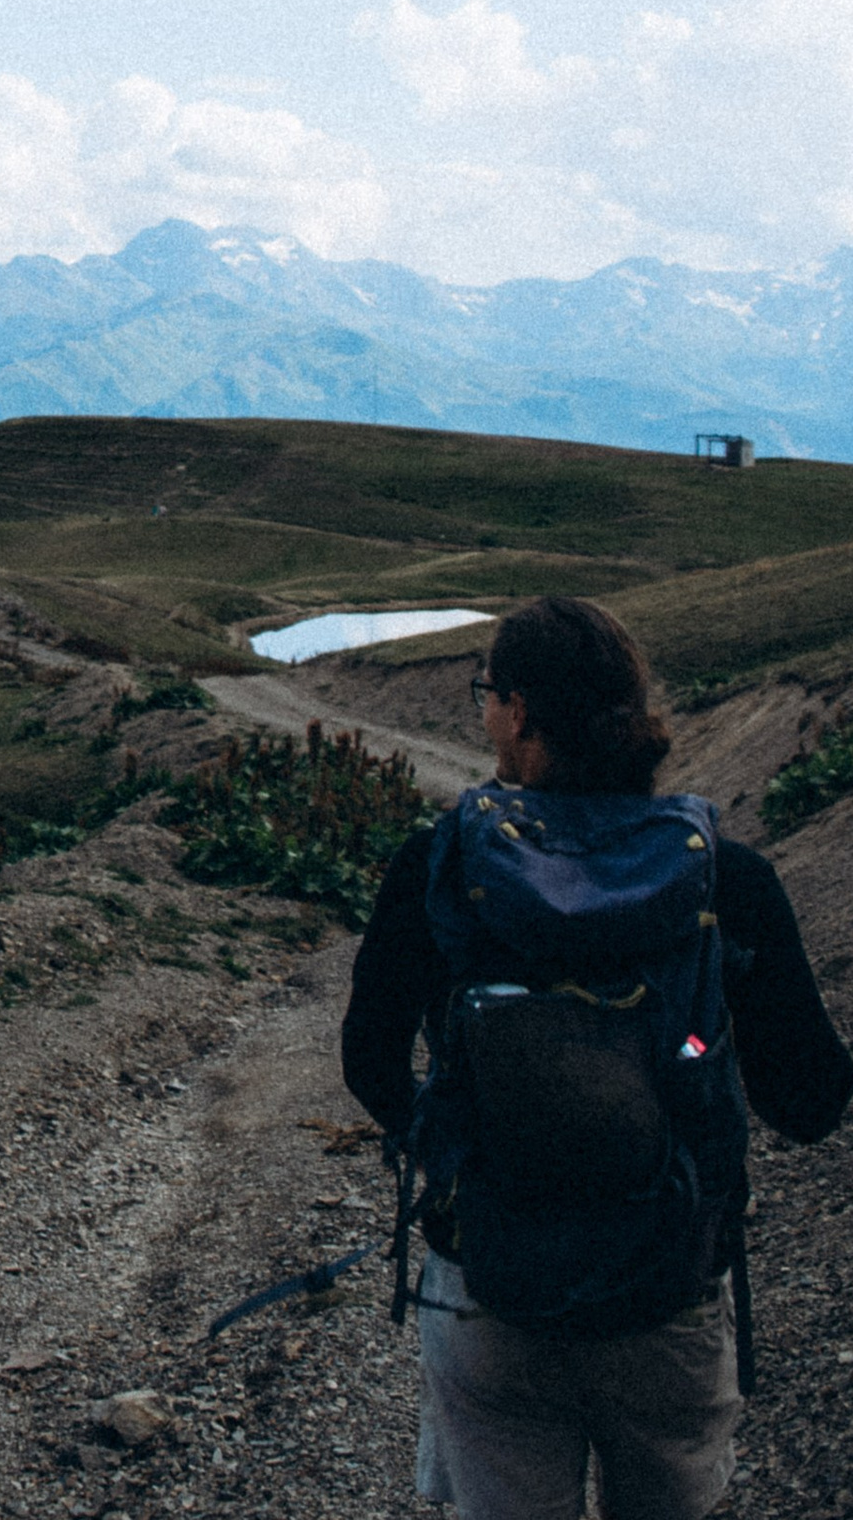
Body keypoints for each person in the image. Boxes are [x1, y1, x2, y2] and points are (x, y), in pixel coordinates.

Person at [341, 594, 851, 1520]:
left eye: (485, 692)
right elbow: (812, 1103)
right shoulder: (726, 879)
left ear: (522, 712)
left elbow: (369, 1062)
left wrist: (460, 1146)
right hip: (668, 1294)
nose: (484, 710)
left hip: (489, 1289)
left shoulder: (435, 866)